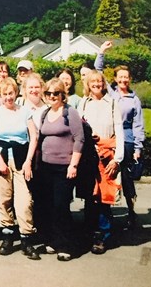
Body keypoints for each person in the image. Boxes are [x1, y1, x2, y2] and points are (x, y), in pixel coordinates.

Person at [0, 77, 40, 260]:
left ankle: (26, 238)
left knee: (24, 201)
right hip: (1, 158)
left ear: (16, 93)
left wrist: (28, 161)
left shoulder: (25, 112)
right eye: (4, 94)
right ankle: (7, 236)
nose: (8, 97)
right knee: (4, 199)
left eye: (11, 93)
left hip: (21, 159)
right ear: (0, 96)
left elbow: (33, 137)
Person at [95, 41, 145, 229]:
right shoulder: (111, 93)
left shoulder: (135, 100)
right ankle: (107, 215)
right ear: (115, 79)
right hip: (112, 140)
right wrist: (102, 52)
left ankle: (131, 212)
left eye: (126, 77)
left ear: (130, 79)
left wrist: (138, 148)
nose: (123, 80)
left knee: (126, 179)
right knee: (108, 176)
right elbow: (97, 73)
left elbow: (138, 124)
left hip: (128, 141)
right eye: (120, 77)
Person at [36, 78, 84, 261]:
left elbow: (79, 139)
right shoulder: (45, 113)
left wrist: (74, 164)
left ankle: (67, 245)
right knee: (47, 206)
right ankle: (53, 240)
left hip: (64, 167)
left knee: (61, 206)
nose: (52, 96)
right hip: (46, 167)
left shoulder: (69, 112)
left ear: (63, 95)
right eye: (48, 93)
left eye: (56, 93)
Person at [78, 70, 124, 254]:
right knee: (90, 197)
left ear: (104, 84)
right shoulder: (83, 103)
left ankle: (103, 236)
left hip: (107, 156)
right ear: (87, 84)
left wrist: (118, 159)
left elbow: (119, 132)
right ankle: (88, 234)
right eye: (92, 81)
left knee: (104, 199)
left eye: (99, 81)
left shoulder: (112, 103)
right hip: (89, 156)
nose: (96, 84)